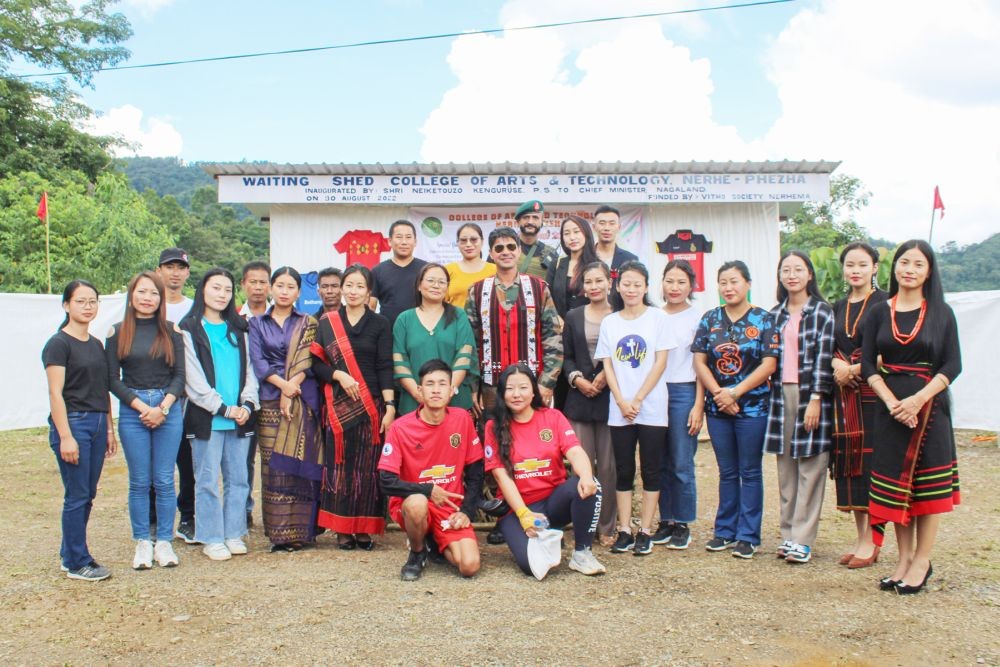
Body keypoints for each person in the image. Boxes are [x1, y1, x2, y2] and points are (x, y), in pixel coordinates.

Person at [862, 240, 961, 594]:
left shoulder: (941, 312)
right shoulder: (878, 311)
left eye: (918, 264)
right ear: (894, 267)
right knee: (895, 488)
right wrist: (891, 403)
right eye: (904, 262)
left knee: (925, 490)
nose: (909, 269)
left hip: (929, 409)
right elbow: (866, 364)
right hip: (889, 411)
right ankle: (902, 560)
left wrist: (918, 400)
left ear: (929, 271)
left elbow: (952, 365)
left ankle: (922, 561)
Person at [465, 226, 563, 545]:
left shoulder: (539, 287)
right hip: (493, 387)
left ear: (519, 251)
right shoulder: (476, 291)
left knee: (529, 449)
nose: (505, 251)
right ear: (490, 254)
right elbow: (471, 341)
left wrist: (546, 383)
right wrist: (475, 385)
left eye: (511, 246)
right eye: (499, 247)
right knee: (498, 450)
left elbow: (553, 336)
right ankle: (505, 516)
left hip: (531, 387)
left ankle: (538, 510)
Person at [692, 261, 779, 560]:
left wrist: (736, 392)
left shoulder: (764, 319)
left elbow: (769, 364)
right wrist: (718, 394)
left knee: (750, 471)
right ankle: (725, 531)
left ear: (748, 283)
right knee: (727, 472)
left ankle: (748, 535)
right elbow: (700, 361)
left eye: (734, 281)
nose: (729, 288)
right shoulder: (710, 318)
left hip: (752, 407)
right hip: (718, 408)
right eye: (723, 282)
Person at [484, 364, 606, 576]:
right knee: (533, 567)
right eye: (510, 389)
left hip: (553, 502)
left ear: (533, 391)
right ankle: (546, 533)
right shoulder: (493, 427)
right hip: (517, 508)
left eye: (523, 387)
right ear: (502, 393)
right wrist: (524, 515)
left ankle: (582, 553)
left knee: (590, 485)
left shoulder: (552, 417)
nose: (516, 394)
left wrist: (586, 476)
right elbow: (501, 476)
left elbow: (575, 452)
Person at [311, 264, 395, 550]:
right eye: (349, 285)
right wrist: (338, 374)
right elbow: (316, 363)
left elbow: (385, 365)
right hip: (339, 405)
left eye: (360, 286)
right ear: (342, 288)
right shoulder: (327, 322)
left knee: (368, 469)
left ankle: (364, 529)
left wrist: (390, 405)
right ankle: (342, 528)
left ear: (369, 291)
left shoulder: (381, 323)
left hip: (372, 406)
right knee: (340, 467)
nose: (353, 291)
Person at [106, 272, 186, 570]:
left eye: (153, 293)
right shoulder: (117, 333)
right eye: (142, 292)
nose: (147, 298)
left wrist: (163, 407)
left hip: (168, 407)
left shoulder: (172, 331)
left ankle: (164, 541)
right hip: (133, 409)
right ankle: (142, 541)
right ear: (132, 296)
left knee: (164, 479)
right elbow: (112, 379)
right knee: (140, 480)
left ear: (160, 298)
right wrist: (141, 406)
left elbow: (180, 376)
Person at [179, 268, 260, 561]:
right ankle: (211, 536)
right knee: (207, 479)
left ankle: (234, 532)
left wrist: (248, 405)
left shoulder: (240, 329)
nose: (222, 294)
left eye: (227, 290)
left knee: (239, 479)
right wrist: (223, 408)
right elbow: (193, 379)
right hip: (207, 419)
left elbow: (251, 370)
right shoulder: (188, 329)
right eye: (216, 288)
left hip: (240, 417)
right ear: (203, 290)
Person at [379, 360, 484, 581]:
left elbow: (476, 471)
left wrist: (466, 511)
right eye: (429, 384)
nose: (436, 390)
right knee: (417, 503)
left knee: (469, 566)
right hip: (415, 504)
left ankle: (434, 543)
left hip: (449, 506)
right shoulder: (400, 427)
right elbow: (385, 481)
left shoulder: (462, 419)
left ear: (451, 389)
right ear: (420, 390)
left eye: (442, 384)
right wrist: (428, 490)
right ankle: (417, 553)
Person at [596, 260, 674, 556]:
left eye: (637, 284)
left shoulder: (657, 318)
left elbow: (661, 362)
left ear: (645, 287)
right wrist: (621, 400)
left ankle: (645, 529)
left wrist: (639, 399)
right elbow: (608, 364)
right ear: (618, 286)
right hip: (620, 409)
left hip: (652, 407)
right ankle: (625, 529)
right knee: (624, 469)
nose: (631, 289)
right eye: (626, 284)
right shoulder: (610, 322)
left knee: (652, 469)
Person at [43, 280, 117, 581]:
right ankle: (77, 561)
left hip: (99, 422)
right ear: (66, 305)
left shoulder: (96, 344)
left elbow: (103, 389)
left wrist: (110, 429)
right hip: (74, 422)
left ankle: (69, 553)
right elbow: (55, 393)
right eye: (81, 301)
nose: (88, 307)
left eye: (92, 301)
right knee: (77, 494)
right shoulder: (58, 344)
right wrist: (65, 436)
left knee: (87, 494)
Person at [764, 252, 835, 564]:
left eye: (798, 270)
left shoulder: (821, 312)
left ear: (809, 275)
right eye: (785, 270)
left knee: (811, 466)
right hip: (780, 395)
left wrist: (818, 397)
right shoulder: (775, 314)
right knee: (786, 468)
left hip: (810, 393)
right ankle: (787, 534)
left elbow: (824, 356)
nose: (791, 275)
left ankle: (803, 539)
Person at [248, 267, 323, 552]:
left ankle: (303, 532)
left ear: (297, 292)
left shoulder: (308, 322)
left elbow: (308, 361)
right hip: (269, 399)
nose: (283, 291)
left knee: (301, 465)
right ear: (270, 288)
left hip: (303, 398)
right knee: (273, 466)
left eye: (290, 286)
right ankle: (279, 534)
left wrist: (292, 387)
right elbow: (259, 362)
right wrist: (282, 387)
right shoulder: (257, 323)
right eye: (279, 285)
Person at [831, 242, 888, 568]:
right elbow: (829, 346)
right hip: (844, 396)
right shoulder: (838, 306)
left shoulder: (884, 303)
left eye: (862, 264)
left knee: (872, 468)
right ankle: (861, 538)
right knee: (851, 468)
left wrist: (855, 368)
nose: (855, 270)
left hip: (873, 393)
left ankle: (873, 540)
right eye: (850, 264)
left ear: (875, 268)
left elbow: (889, 348)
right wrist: (837, 368)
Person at [562, 261, 617, 545]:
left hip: (613, 400)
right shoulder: (573, 316)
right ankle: (584, 523)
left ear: (610, 282)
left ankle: (607, 527)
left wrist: (607, 377)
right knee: (581, 467)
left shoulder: (621, 315)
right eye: (589, 282)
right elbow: (566, 356)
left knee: (608, 466)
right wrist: (577, 379)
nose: (594, 286)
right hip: (579, 399)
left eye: (599, 280)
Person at [651, 259, 705, 550]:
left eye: (681, 282)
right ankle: (665, 520)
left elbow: (700, 365)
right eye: (669, 281)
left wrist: (699, 405)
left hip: (684, 391)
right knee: (659, 461)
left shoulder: (699, 318)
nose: (674, 287)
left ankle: (682, 523)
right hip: (655, 392)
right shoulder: (654, 316)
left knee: (681, 461)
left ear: (691, 286)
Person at [392, 263, 477, 415]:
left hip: (453, 399)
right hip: (414, 402)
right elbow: (400, 361)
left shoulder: (459, 316)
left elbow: (464, 357)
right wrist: (418, 394)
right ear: (419, 285)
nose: (436, 285)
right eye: (430, 280)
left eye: (442, 282)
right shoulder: (404, 319)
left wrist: (447, 391)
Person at [155, 247, 196, 543]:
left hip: (189, 398)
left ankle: (188, 517)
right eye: (169, 267)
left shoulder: (195, 309)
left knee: (189, 461)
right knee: (157, 462)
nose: (175, 272)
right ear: (159, 271)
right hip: (154, 394)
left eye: (180, 267)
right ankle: (154, 520)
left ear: (187, 273)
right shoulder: (149, 306)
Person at [238, 260, 271, 526]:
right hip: (244, 400)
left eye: (263, 282)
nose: (258, 287)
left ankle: (275, 512)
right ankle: (243, 509)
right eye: (253, 282)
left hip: (274, 397)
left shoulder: (280, 317)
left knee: (274, 459)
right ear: (243, 285)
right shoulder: (234, 320)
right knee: (244, 457)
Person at [371, 220, 428, 328]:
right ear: (390, 241)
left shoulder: (426, 270)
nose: (404, 242)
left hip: (420, 331)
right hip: (388, 332)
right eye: (399, 237)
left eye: (408, 237)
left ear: (415, 241)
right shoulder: (378, 271)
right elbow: (371, 306)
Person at [546, 215, 599, 318]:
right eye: (567, 233)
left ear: (586, 233)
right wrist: (556, 320)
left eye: (576, 231)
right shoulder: (556, 264)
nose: (572, 237)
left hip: (587, 325)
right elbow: (548, 298)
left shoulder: (597, 265)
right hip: (559, 327)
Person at [591, 205, 638, 309]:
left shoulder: (630, 259)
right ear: (594, 227)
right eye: (602, 223)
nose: (607, 228)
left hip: (621, 315)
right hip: (590, 315)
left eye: (612, 223)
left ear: (619, 227)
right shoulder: (586, 257)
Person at [445, 223, 495, 309]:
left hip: (487, 322)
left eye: (474, 239)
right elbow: (440, 304)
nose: (468, 244)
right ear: (458, 243)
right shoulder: (447, 270)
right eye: (463, 240)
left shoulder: (495, 270)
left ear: (482, 241)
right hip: (455, 321)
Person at [513, 199, 559, 281]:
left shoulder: (551, 254)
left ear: (541, 222)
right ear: (518, 222)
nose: (530, 221)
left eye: (535, 217)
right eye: (526, 217)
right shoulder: (503, 249)